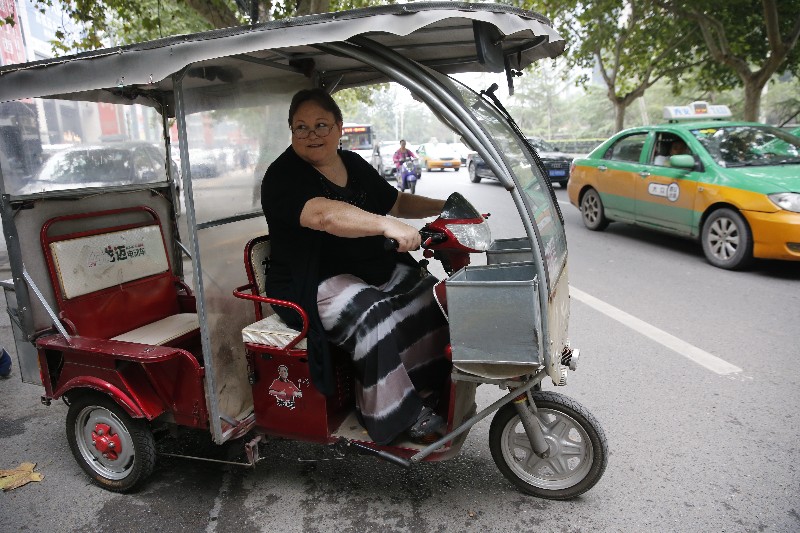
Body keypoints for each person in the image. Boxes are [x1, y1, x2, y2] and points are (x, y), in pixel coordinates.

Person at [260, 88, 451, 445]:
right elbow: (324, 214)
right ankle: (389, 413)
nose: (312, 134)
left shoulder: (355, 165)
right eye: (301, 127)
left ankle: (425, 382)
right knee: (372, 311)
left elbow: (397, 201)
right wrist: (384, 225)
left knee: (425, 291)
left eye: (321, 125)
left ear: (338, 128)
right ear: (291, 132)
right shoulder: (283, 176)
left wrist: (448, 205)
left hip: (365, 268)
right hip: (309, 280)